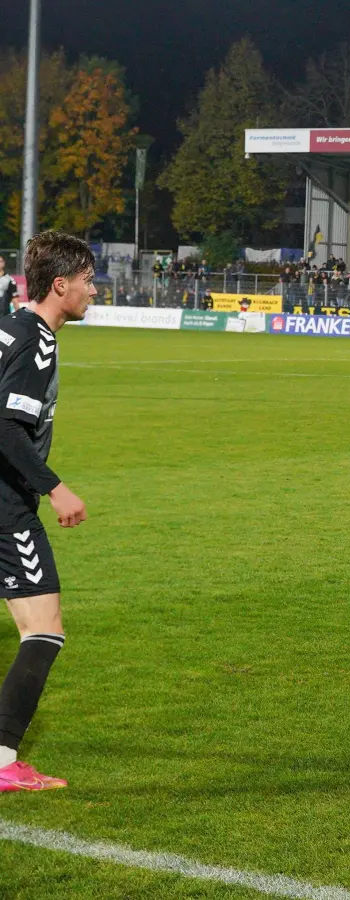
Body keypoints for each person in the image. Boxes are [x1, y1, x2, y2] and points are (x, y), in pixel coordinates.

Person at [0, 232, 94, 792]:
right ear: (60, 285)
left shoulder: (7, 324)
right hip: (6, 504)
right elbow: (6, 425)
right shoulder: (36, 339)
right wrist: (54, 487)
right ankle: (3, 762)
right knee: (44, 630)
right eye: (86, 280)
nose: (91, 291)